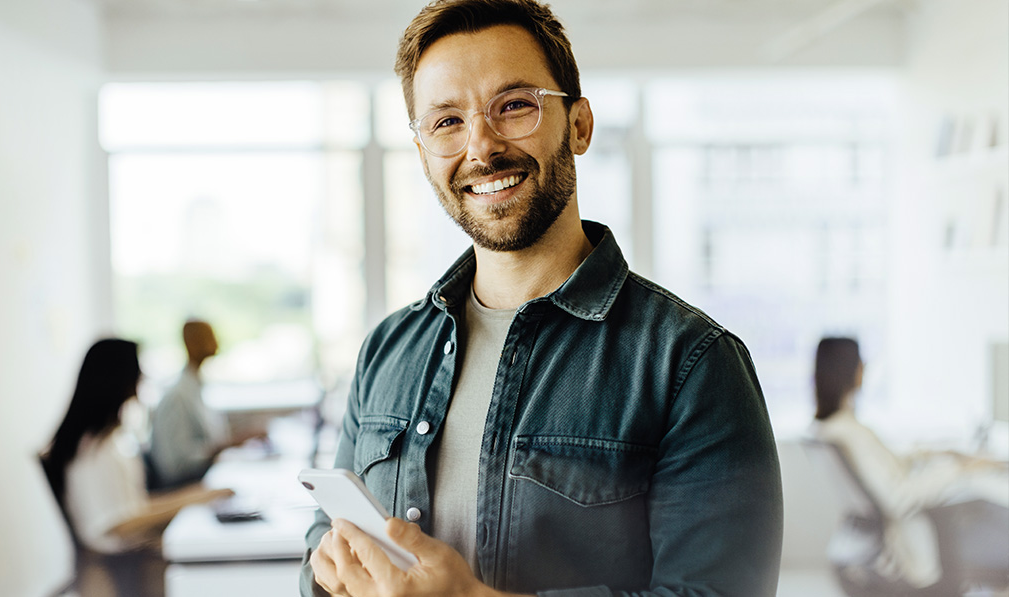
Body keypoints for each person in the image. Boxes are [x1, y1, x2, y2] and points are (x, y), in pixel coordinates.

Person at [301, 1, 783, 595]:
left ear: (578, 125)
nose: (480, 147)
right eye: (446, 121)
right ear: (423, 149)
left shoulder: (692, 365)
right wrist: (327, 574)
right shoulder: (387, 350)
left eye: (514, 106)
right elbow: (325, 542)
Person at [810, 337, 1009, 591]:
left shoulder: (831, 429)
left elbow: (888, 467)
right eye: (862, 362)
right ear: (852, 369)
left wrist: (938, 453)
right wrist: (962, 469)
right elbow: (899, 494)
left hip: (886, 537)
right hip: (911, 542)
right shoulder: (852, 433)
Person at [40, 338, 233, 597]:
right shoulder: (97, 449)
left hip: (126, 555)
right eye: (137, 368)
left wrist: (196, 495)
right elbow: (117, 523)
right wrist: (189, 500)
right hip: (123, 562)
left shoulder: (103, 441)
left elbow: (130, 507)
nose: (142, 375)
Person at [148, 319, 260, 489]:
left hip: (202, 476)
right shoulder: (178, 396)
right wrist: (222, 446)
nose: (216, 342)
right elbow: (176, 462)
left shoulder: (195, 387)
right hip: (186, 484)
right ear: (190, 343)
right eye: (208, 336)